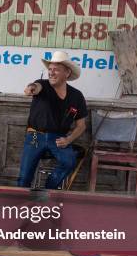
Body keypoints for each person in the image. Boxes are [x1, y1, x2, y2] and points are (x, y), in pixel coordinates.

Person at [17, 51, 88, 189]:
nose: (51, 72)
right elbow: (35, 87)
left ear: (67, 73)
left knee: (69, 162)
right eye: (49, 69)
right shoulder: (42, 84)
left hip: (57, 138)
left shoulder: (77, 96)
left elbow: (81, 126)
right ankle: (21, 205)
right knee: (24, 177)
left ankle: (48, 191)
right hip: (35, 136)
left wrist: (68, 140)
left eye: (56, 69)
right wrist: (31, 88)